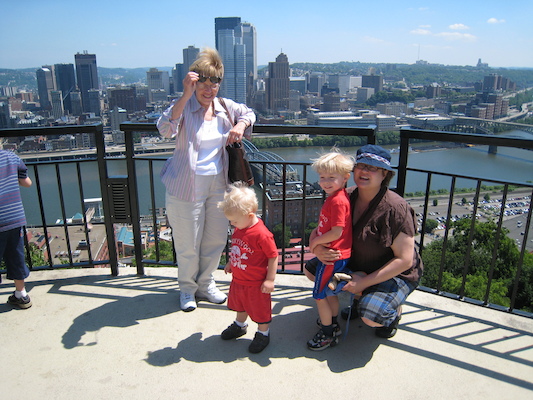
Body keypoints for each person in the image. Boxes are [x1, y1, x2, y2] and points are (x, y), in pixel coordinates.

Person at [156, 48, 256, 312]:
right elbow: (165, 129)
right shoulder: (184, 107)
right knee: (188, 242)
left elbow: (249, 112)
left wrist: (241, 125)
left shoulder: (225, 107)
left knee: (215, 238)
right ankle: (187, 289)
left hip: (219, 184)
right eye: (203, 82)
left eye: (214, 83)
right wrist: (185, 95)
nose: (209, 89)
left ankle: (206, 284)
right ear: (193, 82)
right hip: (185, 184)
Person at [305, 144, 423, 339]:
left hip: (394, 272)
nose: (365, 171)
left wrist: (364, 282)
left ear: (384, 174)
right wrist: (317, 249)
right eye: (361, 165)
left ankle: (391, 312)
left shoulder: (396, 208)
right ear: (352, 170)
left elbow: (405, 260)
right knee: (312, 270)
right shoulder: (345, 196)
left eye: (373, 168)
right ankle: (362, 297)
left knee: (372, 316)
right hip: (356, 263)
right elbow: (321, 228)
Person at [217, 182, 278, 353]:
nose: (233, 225)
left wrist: (270, 280)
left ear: (250, 215)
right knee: (240, 305)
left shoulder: (262, 234)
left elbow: (273, 256)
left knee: (260, 311)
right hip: (239, 280)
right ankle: (240, 325)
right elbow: (237, 246)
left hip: (256, 283)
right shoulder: (240, 227)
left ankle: (263, 333)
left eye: (234, 221)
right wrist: (231, 262)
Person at [306, 150, 354, 351]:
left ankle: (328, 334)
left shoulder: (337, 201)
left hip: (331, 257)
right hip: (337, 256)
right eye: (322, 177)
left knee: (319, 295)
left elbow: (336, 232)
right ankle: (332, 323)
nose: (325, 182)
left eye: (331, 178)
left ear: (345, 178)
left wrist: (315, 244)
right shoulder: (336, 196)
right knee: (329, 294)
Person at [0, 149, 33, 309]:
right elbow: (27, 183)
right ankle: (21, 294)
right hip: (14, 217)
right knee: (15, 255)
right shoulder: (11, 157)